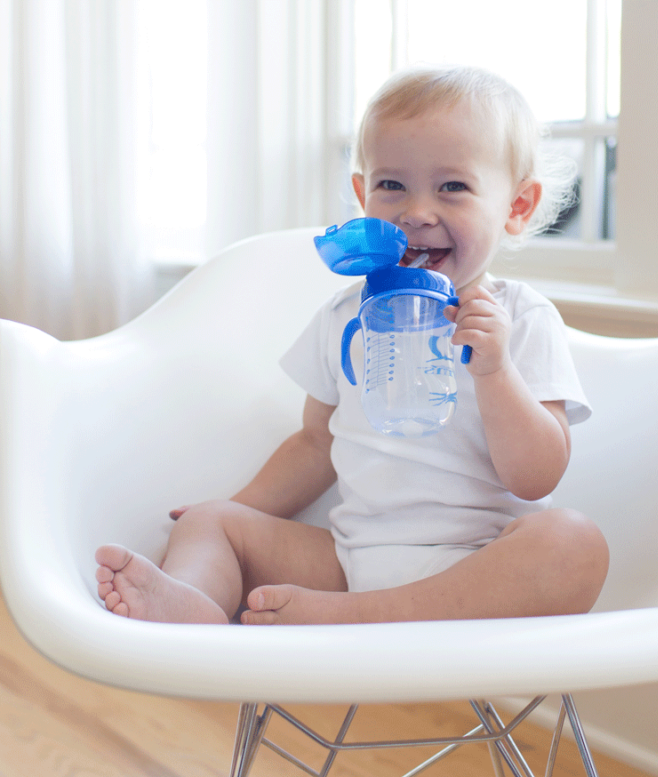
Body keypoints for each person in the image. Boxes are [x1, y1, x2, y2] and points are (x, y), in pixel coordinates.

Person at [95, 65, 609, 626]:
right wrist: (240, 507)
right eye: (393, 185)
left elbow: (537, 477)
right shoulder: (344, 316)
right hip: (352, 561)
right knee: (211, 521)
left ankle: (357, 618)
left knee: (574, 544)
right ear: (364, 195)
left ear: (517, 206)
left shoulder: (519, 319)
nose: (417, 212)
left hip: (476, 569)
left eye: (452, 187)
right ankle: (193, 603)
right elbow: (316, 443)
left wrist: (496, 371)